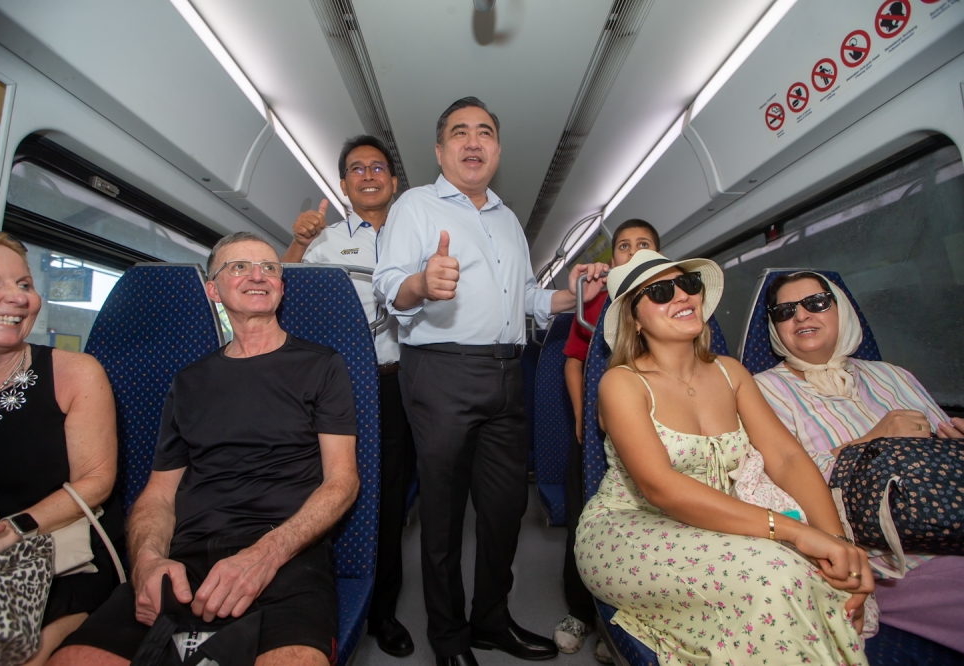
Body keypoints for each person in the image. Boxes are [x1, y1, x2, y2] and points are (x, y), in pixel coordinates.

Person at [50, 232, 360, 666]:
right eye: (239, 267)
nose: (258, 275)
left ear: (282, 286)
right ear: (213, 290)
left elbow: (342, 481)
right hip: (187, 555)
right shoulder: (187, 381)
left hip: (289, 555)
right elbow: (157, 495)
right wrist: (147, 562)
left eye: (270, 267)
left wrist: (265, 554)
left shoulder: (322, 365)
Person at [373, 96, 608, 666]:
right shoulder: (417, 206)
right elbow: (387, 283)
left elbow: (527, 298)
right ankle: (449, 639)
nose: (473, 142)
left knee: (503, 514)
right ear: (440, 149)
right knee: (444, 519)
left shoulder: (507, 220)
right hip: (441, 373)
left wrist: (573, 292)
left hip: (506, 375)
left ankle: (491, 622)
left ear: (497, 150)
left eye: (484, 133)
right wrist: (422, 285)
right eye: (459, 132)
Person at [576, 249, 874, 666]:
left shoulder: (731, 373)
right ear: (635, 320)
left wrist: (836, 541)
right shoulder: (622, 383)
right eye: (661, 292)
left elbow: (786, 457)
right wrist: (792, 532)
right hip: (630, 525)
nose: (682, 296)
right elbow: (659, 487)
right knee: (779, 574)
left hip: (721, 522)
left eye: (689, 285)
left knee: (820, 574)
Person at [753, 270, 964, 654]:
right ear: (775, 327)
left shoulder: (893, 376)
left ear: (842, 311)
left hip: (953, 521)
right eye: (785, 311)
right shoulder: (761, 390)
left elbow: (942, 453)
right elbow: (778, 483)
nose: (801, 316)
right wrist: (871, 440)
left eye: (816, 303)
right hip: (888, 558)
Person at [282, 134, 417, 658]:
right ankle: (311, 591)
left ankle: (383, 610)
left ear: (392, 181)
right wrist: (296, 241)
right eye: (356, 169)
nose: (368, 175)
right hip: (332, 383)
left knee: (386, 496)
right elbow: (277, 289)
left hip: (397, 381)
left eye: (377, 167)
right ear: (342, 184)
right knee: (321, 487)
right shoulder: (324, 242)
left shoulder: (418, 239)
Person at [0, 232, 121, 665]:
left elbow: (95, 482)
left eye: (24, 284)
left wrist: (11, 532)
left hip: (60, 553)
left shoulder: (75, 373)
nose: (17, 298)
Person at [554, 219, 659, 662]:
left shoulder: (672, 301)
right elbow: (573, 364)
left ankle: (621, 622)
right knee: (585, 520)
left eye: (644, 245)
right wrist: (581, 415)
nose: (633, 253)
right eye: (623, 246)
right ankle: (580, 612)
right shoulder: (594, 306)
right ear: (610, 258)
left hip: (654, 429)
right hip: (599, 431)